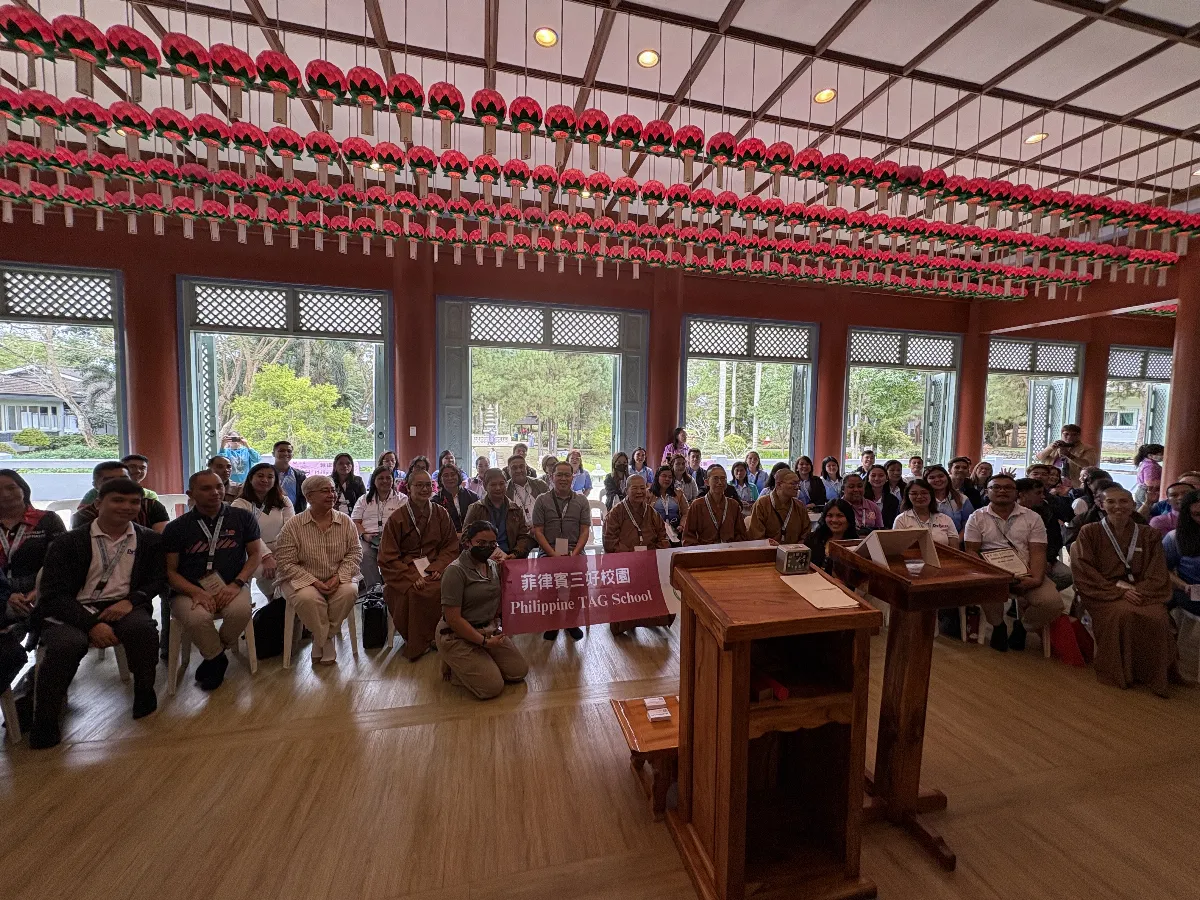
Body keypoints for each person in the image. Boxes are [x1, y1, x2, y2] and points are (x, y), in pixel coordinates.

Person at [28, 478, 165, 749]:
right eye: (118, 500)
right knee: (67, 644)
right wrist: (91, 625)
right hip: (72, 607)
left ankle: (144, 693)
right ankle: (46, 719)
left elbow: (157, 579)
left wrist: (133, 600)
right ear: (98, 503)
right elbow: (53, 594)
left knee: (143, 630)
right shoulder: (69, 542)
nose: (126, 507)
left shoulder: (148, 539)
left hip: (122, 603)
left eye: (134, 502)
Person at [1071, 485, 1175, 697]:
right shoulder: (1089, 532)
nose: (1118, 506)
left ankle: (1153, 674)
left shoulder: (1149, 534)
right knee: (1122, 614)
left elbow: (1157, 571)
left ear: (1133, 505)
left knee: (1158, 617)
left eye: (1123, 501)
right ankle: (1119, 672)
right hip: (1103, 591)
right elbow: (1084, 569)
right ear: (1101, 505)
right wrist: (1116, 590)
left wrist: (1139, 589)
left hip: (1142, 591)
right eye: (1111, 502)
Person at [163, 470, 260, 691]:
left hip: (232, 585)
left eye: (219, 486)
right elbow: (170, 571)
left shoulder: (242, 518)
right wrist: (195, 592)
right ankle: (218, 659)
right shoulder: (177, 527)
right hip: (188, 591)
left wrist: (237, 583)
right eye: (206, 488)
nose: (215, 492)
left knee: (240, 612)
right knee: (197, 619)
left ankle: (213, 655)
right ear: (191, 493)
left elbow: (254, 556)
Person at [964, 473, 1064, 653]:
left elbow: (1038, 551)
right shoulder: (976, 517)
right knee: (987, 588)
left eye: (1008, 487)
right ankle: (998, 626)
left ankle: (1023, 626)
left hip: (1026, 572)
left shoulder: (1032, 517)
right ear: (987, 492)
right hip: (992, 573)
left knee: (1052, 603)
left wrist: (1036, 579)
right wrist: (992, 575)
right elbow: (971, 550)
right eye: (996, 487)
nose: (1002, 490)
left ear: (1016, 492)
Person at [273, 475, 362, 666]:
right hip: (301, 577)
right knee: (308, 598)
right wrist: (314, 582)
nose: (331, 494)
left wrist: (338, 577)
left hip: (337, 575)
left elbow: (355, 553)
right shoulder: (293, 525)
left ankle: (319, 638)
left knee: (350, 592)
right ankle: (326, 641)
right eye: (325, 491)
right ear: (309, 497)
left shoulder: (346, 522)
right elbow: (285, 562)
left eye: (332, 490)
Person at [437, 521, 529, 700]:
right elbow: (453, 619)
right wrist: (484, 643)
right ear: (467, 542)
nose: (487, 547)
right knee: (492, 688)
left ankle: (479, 659)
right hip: (456, 634)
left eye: (492, 544)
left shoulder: (494, 567)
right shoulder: (455, 571)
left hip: (489, 628)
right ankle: (453, 662)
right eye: (481, 543)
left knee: (518, 672)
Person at [378, 469, 459, 661]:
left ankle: (444, 635)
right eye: (419, 485)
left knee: (449, 587)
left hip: (435, 567)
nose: (424, 489)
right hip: (406, 569)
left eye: (427, 485)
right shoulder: (397, 518)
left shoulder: (441, 513)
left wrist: (439, 567)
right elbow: (387, 556)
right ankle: (419, 641)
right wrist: (411, 577)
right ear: (408, 487)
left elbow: (450, 546)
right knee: (415, 592)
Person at [0, 469, 66, 694]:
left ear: (23, 489)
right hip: (2, 594)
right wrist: (6, 596)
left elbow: (58, 563)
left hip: (41, 590)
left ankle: (34, 690)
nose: (5, 494)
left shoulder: (47, 520)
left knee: (55, 637)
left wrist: (36, 592)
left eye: (11, 487)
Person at [533, 461, 592, 642]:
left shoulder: (581, 501)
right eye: (559, 475)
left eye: (567, 475)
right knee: (547, 585)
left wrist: (574, 555)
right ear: (552, 477)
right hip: (548, 551)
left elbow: (584, 531)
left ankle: (571, 622)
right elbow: (538, 531)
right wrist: (553, 554)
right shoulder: (542, 500)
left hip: (575, 551)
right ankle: (552, 623)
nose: (563, 479)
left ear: (573, 478)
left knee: (579, 584)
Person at [231, 462, 294, 603]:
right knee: (266, 572)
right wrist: (266, 556)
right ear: (250, 478)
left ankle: (280, 609)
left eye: (270, 477)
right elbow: (249, 535)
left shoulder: (284, 501)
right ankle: (270, 605)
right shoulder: (240, 504)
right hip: (250, 553)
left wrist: (280, 554)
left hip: (281, 549)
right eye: (260, 476)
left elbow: (290, 528)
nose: (265, 480)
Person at [351, 465, 408, 590]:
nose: (385, 481)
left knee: (397, 554)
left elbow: (405, 522)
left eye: (388, 478)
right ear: (374, 481)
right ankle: (374, 590)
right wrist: (364, 535)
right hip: (368, 537)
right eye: (380, 478)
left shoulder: (402, 499)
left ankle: (392, 588)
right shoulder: (364, 499)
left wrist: (391, 536)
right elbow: (355, 521)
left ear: (393, 480)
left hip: (394, 538)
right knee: (364, 553)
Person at [73, 461, 170, 532]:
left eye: (124, 479)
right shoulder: (84, 515)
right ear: (95, 485)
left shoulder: (151, 506)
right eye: (109, 480)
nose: (118, 484)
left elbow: (162, 543)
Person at [463, 468, 534, 560]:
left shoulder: (516, 509)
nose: (498, 488)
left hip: (510, 556)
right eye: (493, 484)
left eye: (501, 484)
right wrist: (483, 555)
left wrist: (515, 554)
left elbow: (524, 536)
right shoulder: (476, 508)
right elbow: (465, 537)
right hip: (483, 559)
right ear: (485, 486)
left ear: (506, 484)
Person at [1016, 477, 1073, 590]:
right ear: (1022, 495)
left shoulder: (1046, 512)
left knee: (1067, 575)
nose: (1043, 496)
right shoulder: (1007, 512)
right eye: (1038, 493)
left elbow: (1055, 539)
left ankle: (1037, 593)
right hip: (1014, 559)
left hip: (1042, 557)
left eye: (1043, 493)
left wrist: (1048, 560)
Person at [682, 466, 749, 546]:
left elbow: (741, 534)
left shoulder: (733, 505)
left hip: (729, 551)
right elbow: (688, 536)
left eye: (723, 478)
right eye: (715, 478)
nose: (720, 482)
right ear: (706, 482)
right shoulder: (697, 505)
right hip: (704, 552)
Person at [604, 474, 668, 552]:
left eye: (642, 488)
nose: (639, 492)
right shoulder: (615, 513)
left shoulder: (652, 513)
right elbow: (610, 542)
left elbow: (662, 538)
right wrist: (632, 555)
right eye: (634, 488)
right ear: (626, 490)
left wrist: (653, 553)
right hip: (625, 559)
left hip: (650, 557)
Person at [748, 468, 810, 545]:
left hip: (794, 553)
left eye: (798, 484)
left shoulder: (799, 506)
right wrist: (777, 548)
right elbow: (756, 536)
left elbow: (806, 534)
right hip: (768, 553)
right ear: (779, 485)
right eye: (793, 484)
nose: (797, 487)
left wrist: (796, 549)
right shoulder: (762, 504)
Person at [1164, 490, 1200, 616]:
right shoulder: (1175, 538)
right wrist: (1184, 586)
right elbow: (1163, 569)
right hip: (1193, 592)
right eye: (1197, 514)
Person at [892, 478, 958, 545]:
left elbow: (955, 550)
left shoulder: (945, 519)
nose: (920, 497)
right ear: (907, 496)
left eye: (924, 493)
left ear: (931, 495)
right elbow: (897, 548)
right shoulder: (901, 520)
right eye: (914, 494)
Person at [79, 453, 160, 505]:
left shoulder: (150, 495)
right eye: (132, 467)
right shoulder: (94, 493)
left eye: (142, 468)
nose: (138, 471)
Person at [1036, 424, 1098, 489]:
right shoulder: (1054, 445)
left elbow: (1088, 465)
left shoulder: (1087, 449)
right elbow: (1039, 457)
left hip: (1074, 484)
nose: (1069, 437)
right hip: (1051, 483)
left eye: (1074, 435)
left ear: (1079, 436)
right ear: (1061, 434)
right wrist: (1050, 448)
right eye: (1066, 434)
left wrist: (1069, 455)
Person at [806, 500, 858, 572]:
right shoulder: (812, 539)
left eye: (840, 515)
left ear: (849, 519)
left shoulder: (856, 546)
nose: (834, 520)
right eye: (830, 515)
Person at [925, 464, 973, 534]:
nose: (937, 480)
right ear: (926, 481)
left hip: (956, 541)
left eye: (941, 476)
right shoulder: (922, 499)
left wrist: (957, 541)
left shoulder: (961, 499)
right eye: (932, 478)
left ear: (947, 477)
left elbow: (968, 524)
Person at [650, 465, 689, 546]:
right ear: (657, 477)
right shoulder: (649, 494)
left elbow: (686, 512)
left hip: (676, 532)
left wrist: (682, 525)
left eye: (670, 477)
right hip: (656, 534)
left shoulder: (679, 493)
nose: (667, 479)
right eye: (664, 476)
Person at [435, 462, 478, 534]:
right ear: (440, 480)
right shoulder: (436, 501)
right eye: (446, 475)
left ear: (458, 476)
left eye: (453, 474)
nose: (450, 478)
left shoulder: (472, 497)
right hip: (447, 540)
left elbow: (478, 522)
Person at [506, 455, 547, 524]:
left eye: (521, 467)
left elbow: (549, 510)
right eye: (514, 468)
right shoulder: (505, 490)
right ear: (508, 470)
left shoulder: (540, 485)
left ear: (526, 468)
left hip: (541, 528)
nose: (519, 470)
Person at [272, 441, 308, 513]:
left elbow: (304, 498)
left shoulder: (300, 476)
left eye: (289, 451)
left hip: (294, 516)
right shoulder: (265, 474)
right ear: (273, 454)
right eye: (281, 451)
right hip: (270, 515)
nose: (285, 453)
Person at [864, 464, 901, 529]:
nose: (877, 478)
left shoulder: (893, 500)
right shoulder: (861, 498)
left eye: (881, 475)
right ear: (868, 478)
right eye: (873, 475)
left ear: (886, 478)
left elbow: (891, 524)